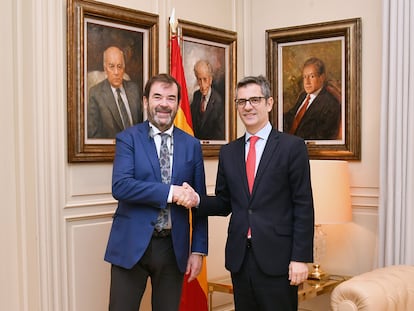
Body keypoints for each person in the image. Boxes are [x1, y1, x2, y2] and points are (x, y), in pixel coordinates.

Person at [180, 75, 314, 311]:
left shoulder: (292, 147)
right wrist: (197, 199)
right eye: (241, 102)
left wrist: (300, 258)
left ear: (269, 103)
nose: (248, 107)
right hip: (240, 259)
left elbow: (303, 205)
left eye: (254, 100)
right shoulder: (229, 152)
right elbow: (224, 203)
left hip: (279, 260)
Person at [104, 73, 208, 311]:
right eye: (157, 96)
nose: (164, 103)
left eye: (171, 98)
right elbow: (121, 186)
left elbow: (198, 200)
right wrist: (170, 193)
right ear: (145, 102)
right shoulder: (128, 139)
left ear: (178, 104)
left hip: (173, 248)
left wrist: (198, 250)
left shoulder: (192, 145)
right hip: (131, 245)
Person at [88, 46, 143, 139]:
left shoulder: (134, 89)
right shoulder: (96, 94)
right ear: (105, 69)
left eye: (119, 66)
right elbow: (94, 135)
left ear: (124, 68)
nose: (116, 72)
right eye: (111, 67)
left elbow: (142, 125)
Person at [284, 57, 341, 140]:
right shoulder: (303, 96)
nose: (307, 82)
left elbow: (321, 137)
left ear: (322, 78)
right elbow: (290, 117)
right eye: (304, 77)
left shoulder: (331, 104)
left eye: (312, 76)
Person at [190, 59, 225, 140]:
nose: (202, 84)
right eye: (199, 79)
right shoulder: (196, 96)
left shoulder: (218, 101)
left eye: (205, 79)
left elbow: (219, 133)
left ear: (210, 80)